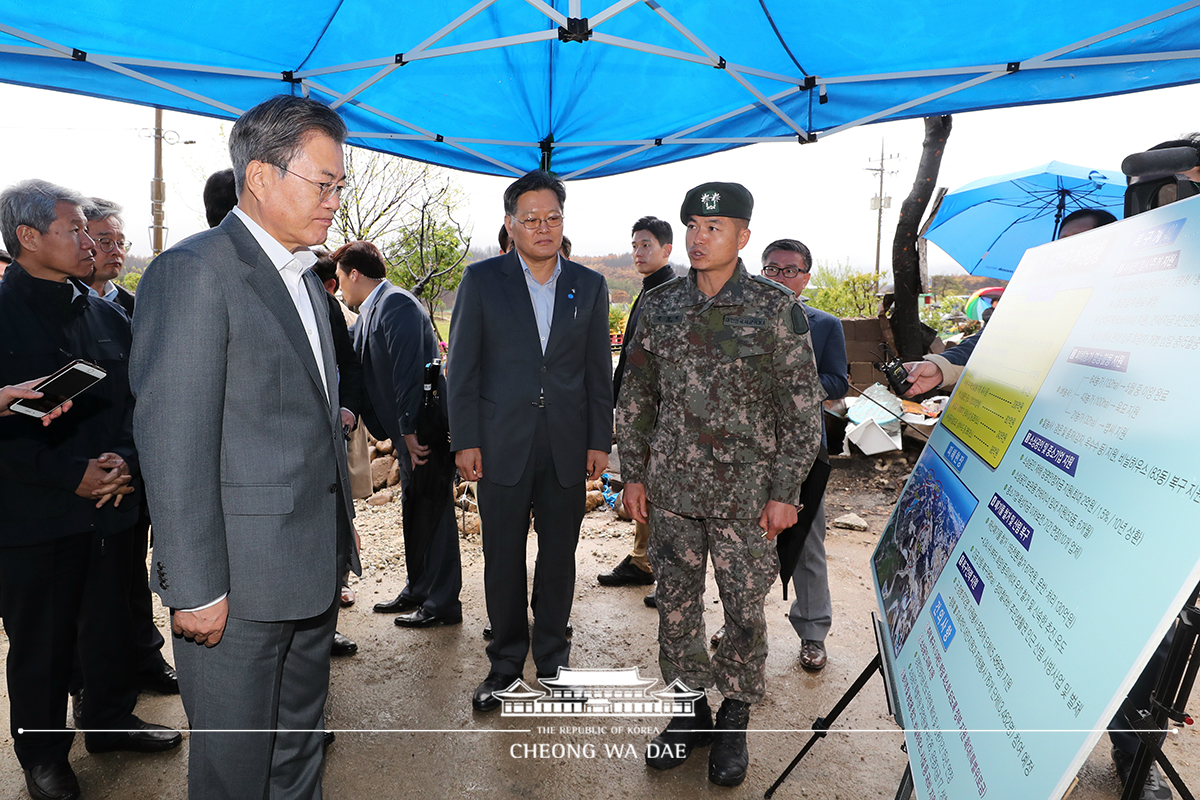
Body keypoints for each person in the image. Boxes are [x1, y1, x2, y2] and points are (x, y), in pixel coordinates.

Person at [130, 95, 360, 799]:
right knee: (234, 771)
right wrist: (194, 586)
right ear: (261, 178)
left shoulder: (302, 277)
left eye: (338, 185)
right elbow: (174, 439)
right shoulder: (196, 271)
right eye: (324, 183)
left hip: (308, 569)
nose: (334, 201)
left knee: (297, 753)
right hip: (235, 588)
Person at [615, 182, 823, 787]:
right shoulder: (660, 306)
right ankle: (688, 714)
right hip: (673, 494)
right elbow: (638, 396)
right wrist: (633, 473)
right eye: (694, 227)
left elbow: (801, 410)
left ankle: (733, 715)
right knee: (675, 610)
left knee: (743, 610)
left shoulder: (774, 308)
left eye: (716, 227)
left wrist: (786, 490)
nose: (700, 237)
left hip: (748, 500)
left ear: (743, 236)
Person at [0, 179, 181, 800]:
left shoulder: (108, 314)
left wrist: (127, 462)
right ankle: (44, 755)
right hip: (33, 515)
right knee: (42, 643)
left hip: (112, 504)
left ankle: (108, 719)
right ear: (27, 238)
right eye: (73, 230)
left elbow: (139, 401)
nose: (88, 241)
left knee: (112, 620)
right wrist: (67, 473)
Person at [448, 169, 612, 713]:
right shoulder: (483, 280)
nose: (543, 227)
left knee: (560, 555)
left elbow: (595, 370)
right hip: (500, 442)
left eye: (553, 217)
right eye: (531, 218)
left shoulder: (587, 285)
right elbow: (463, 367)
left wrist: (599, 439)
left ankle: (554, 662)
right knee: (502, 556)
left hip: (567, 443)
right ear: (510, 224)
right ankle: (504, 665)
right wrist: (465, 438)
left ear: (563, 222)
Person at [78, 197, 181, 698]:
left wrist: (131, 460)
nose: (114, 250)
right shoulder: (65, 310)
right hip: (79, 477)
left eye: (121, 241)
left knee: (134, 572)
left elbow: (153, 389)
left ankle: (145, 659)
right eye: (103, 240)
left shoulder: (134, 308)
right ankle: (92, 686)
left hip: (132, 465)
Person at [336, 240, 463, 628]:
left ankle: (442, 603)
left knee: (434, 510)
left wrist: (408, 430)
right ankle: (418, 587)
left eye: (340, 277)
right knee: (415, 508)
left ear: (354, 274)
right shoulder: (374, 309)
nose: (340, 286)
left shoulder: (397, 304)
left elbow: (412, 371)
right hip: (406, 431)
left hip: (422, 430)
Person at [903, 208, 1117, 397]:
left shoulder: (1121, 302)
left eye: (1081, 240)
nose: (1070, 249)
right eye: (1063, 241)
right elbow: (989, 339)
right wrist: (940, 367)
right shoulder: (1034, 294)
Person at [760, 238, 848, 672]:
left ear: (806, 277)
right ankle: (742, 623)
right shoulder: (741, 321)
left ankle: (813, 634)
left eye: (789, 270)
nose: (779, 277)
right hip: (749, 451)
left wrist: (793, 383)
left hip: (802, 452)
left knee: (807, 542)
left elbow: (837, 381)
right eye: (771, 269)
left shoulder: (825, 324)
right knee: (743, 543)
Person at [599, 215, 675, 595]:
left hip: (659, 413)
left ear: (667, 249)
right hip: (639, 408)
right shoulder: (649, 289)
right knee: (642, 485)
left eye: (646, 245)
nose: (638, 253)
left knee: (658, 491)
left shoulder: (672, 294)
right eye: (634, 246)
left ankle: (665, 572)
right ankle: (643, 559)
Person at [83, 199, 135, 314]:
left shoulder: (132, 306)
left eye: (121, 243)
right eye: (106, 242)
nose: (116, 251)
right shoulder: (62, 302)